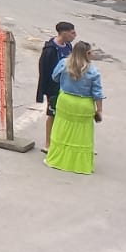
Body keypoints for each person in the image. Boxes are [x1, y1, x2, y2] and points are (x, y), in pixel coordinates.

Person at [45, 40, 104, 175]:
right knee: (81, 134)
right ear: (87, 54)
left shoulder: (64, 63)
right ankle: (79, 164)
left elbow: (55, 77)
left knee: (62, 130)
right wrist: (99, 110)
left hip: (66, 101)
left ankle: (57, 159)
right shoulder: (93, 71)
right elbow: (97, 93)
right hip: (84, 104)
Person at [36, 21, 77, 153]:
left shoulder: (69, 46)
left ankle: (61, 140)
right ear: (64, 33)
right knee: (52, 114)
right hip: (53, 88)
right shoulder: (50, 50)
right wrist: (43, 91)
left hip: (67, 87)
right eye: (72, 33)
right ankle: (48, 143)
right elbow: (44, 71)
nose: (75, 35)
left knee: (64, 114)